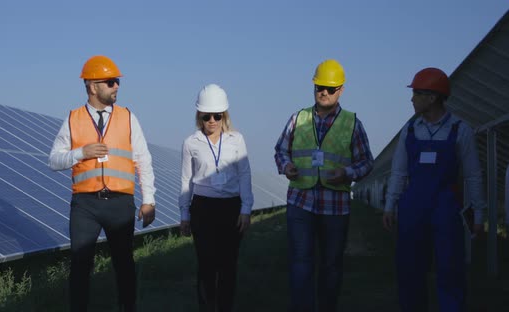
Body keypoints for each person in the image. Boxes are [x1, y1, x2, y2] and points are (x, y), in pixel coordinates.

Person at [49, 55, 156, 312]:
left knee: (124, 264)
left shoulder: (128, 117)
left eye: (117, 81)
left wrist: (149, 200)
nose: (116, 86)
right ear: (92, 86)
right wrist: (80, 153)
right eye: (110, 82)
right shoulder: (73, 119)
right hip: (85, 206)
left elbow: (143, 160)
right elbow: (53, 160)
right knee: (80, 265)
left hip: (120, 204)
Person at [382, 67, 486, 312]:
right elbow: (398, 172)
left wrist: (479, 214)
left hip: (446, 207)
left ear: (433, 97)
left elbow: (473, 175)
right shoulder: (409, 131)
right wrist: (389, 206)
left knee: (450, 267)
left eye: (417, 93)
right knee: (409, 268)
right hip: (412, 208)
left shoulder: (460, 130)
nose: (412, 98)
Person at [274, 59, 374, 312]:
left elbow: (367, 162)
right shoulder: (298, 118)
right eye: (320, 87)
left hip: (335, 206)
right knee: (300, 262)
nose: (324, 93)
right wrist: (286, 166)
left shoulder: (352, 123)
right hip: (301, 201)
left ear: (341, 90)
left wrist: (348, 173)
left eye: (330, 89)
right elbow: (280, 151)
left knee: (331, 265)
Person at [179, 84, 254, 312]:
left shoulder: (236, 140)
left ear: (225, 116)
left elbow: (244, 174)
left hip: (231, 208)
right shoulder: (191, 143)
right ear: (199, 115)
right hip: (202, 208)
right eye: (206, 116)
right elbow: (186, 180)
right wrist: (184, 215)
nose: (212, 120)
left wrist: (246, 209)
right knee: (206, 264)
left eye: (217, 116)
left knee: (228, 265)